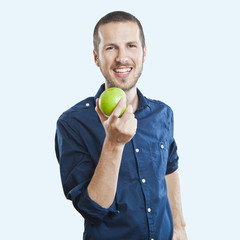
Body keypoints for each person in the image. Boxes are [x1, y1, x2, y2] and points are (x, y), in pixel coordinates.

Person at [55, 11, 187, 240]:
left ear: (144, 53)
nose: (122, 57)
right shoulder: (72, 124)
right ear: (96, 57)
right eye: (111, 48)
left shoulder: (162, 113)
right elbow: (93, 208)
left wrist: (179, 227)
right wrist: (114, 144)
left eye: (131, 46)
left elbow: (169, 169)